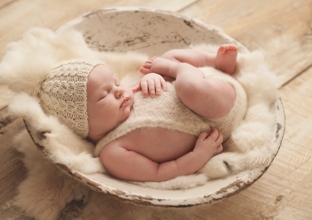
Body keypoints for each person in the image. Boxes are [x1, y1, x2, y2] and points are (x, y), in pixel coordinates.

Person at [38, 44, 245, 182]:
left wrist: (152, 77)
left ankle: (214, 62)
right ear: (82, 121)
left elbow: (154, 84)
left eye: (116, 82)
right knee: (187, 87)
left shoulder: (128, 96)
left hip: (211, 87)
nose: (120, 90)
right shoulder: (113, 151)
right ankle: (179, 69)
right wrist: (199, 156)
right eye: (105, 95)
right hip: (218, 113)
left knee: (161, 61)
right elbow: (159, 173)